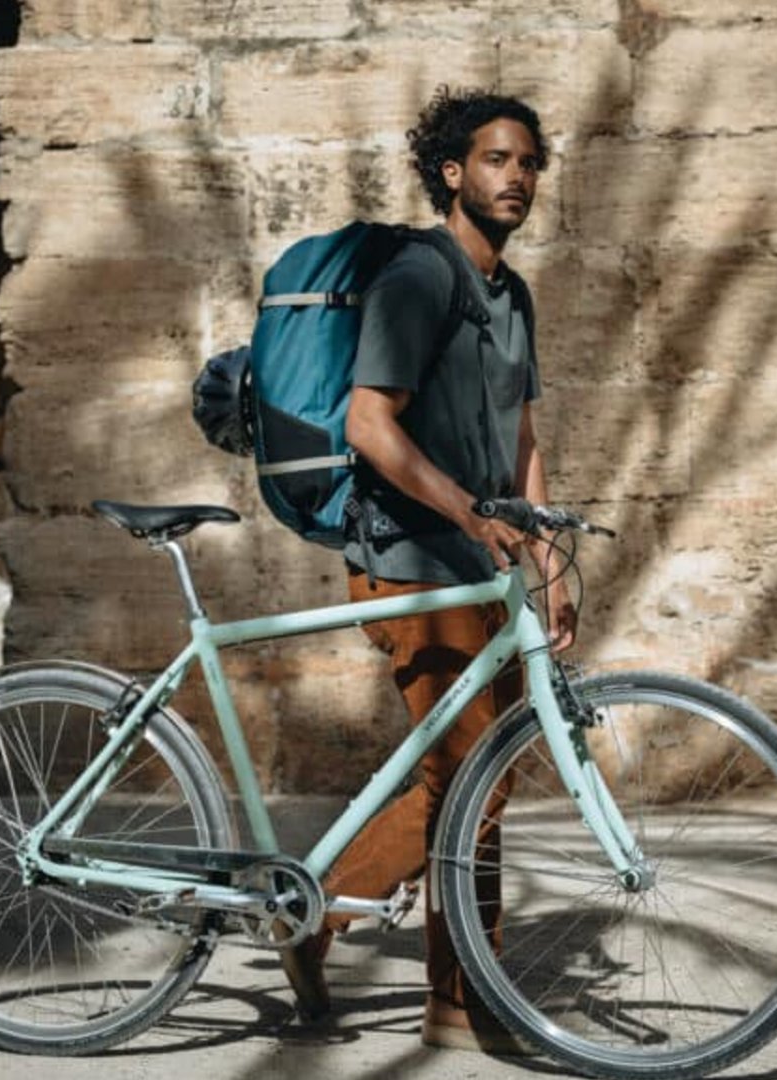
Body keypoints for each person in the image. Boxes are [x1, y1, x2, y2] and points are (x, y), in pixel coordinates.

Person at [278, 86, 576, 1054]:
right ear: (453, 172)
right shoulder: (419, 276)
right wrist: (467, 512)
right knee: (471, 780)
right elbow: (370, 423)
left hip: (480, 566)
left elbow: (522, 434)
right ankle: (319, 909)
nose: (517, 177)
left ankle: (459, 1004)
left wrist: (544, 553)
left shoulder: (512, 294)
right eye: (497, 159)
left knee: (482, 776)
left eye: (529, 162)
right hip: (411, 560)